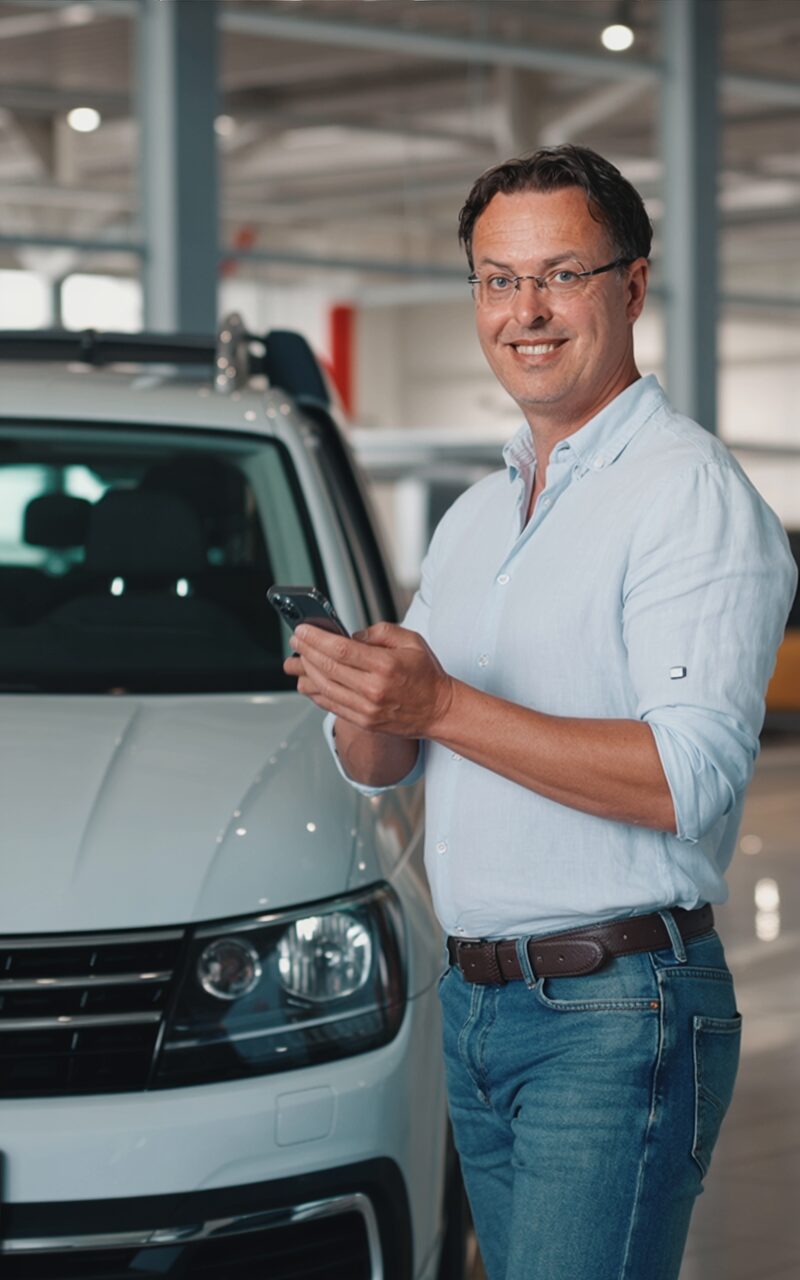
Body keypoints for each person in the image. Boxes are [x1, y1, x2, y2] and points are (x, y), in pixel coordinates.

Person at [286, 145, 797, 1280]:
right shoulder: (478, 511)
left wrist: (442, 700)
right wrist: (366, 702)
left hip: (614, 1010)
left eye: (559, 273)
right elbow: (390, 764)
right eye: (495, 278)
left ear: (629, 286)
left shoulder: (686, 495)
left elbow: (684, 779)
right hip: (477, 1005)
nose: (525, 310)